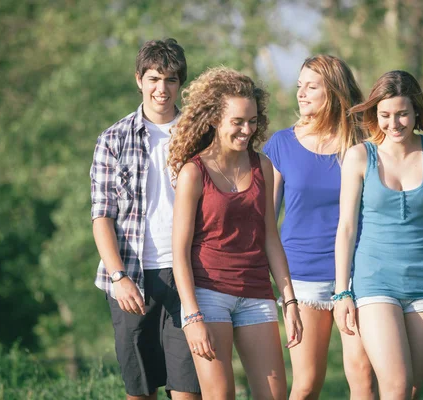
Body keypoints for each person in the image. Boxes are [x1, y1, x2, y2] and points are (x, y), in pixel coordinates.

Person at [167, 66, 303, 400]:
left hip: (256, 293)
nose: (247, 130)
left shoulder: (263, 166)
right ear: (214, 119)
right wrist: (192, 314)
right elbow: (179, 252)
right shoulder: (193, 172)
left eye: (253, 121)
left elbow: (270, 236)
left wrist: (290, 299)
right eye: (238, 122)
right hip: (208, 295)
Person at [334, 70, 423, 400]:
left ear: (416, 111)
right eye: (385, 115)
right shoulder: (360, 155)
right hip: (375, 281)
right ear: (375, 115)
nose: (394, 123)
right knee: (396, 386)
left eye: (402, 114)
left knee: (411, 390)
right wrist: (341, 292)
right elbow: (346, 227)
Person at [90, 38, 200, 400]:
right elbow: (102, 215)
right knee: (140, 392)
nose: (161, 89)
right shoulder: (113, 140)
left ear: (180, 83)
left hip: (188, 273)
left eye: (170, 80)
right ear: (139, 79)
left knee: (187, 389)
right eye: (154, 78)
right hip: (130, 277)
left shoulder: (200, 137)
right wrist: (118, 277)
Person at [263, 55, 376, 399]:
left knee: (364, 379)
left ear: (334, 91)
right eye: (299, 86)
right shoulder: (281, 145)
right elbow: (265, 220)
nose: (301, 93)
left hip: (357, 275)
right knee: (308, 383)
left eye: (312, 86)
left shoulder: (364, 143)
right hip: (303, 277)